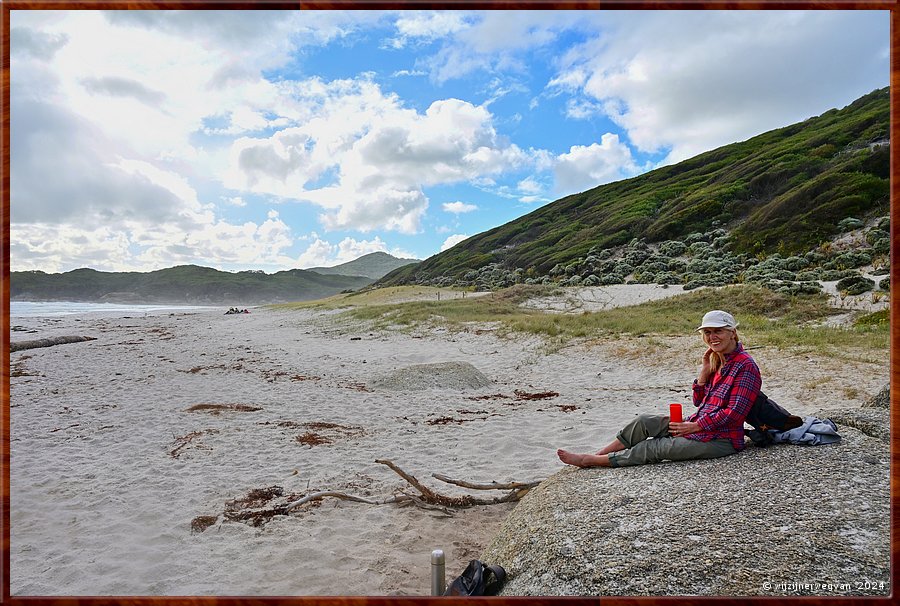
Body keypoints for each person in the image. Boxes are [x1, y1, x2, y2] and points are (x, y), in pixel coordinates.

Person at [557, 310, 761, 468]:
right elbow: (700, 402)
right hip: (698, 425)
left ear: (732, 333)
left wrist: (696, 427)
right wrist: (704, 373)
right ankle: (601, 453)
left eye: (718, 331)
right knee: (644, 421)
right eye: (707, 332)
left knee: (655, 447)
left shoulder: (745, 366)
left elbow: (734, 414)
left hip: (722, 439)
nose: (712, 337)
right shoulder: (718, 361)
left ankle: (590, 460)